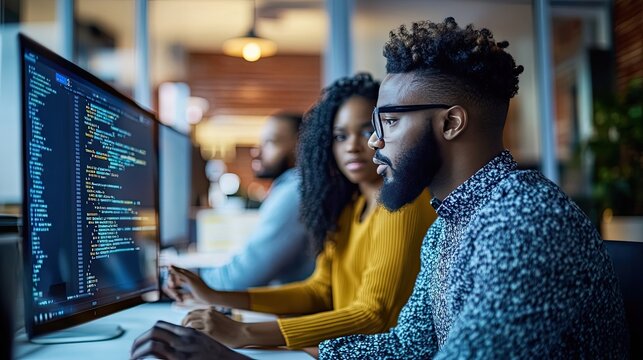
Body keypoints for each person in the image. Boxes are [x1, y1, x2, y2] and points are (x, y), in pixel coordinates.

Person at [132, 18, 628, 359]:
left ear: (452, 122)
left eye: (387, 121)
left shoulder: (522, 220)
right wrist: (243, 348)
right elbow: (403, 348)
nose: (372, 141)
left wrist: (241, 348)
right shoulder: (450, 222)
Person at [131, 73, 435, 358]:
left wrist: (242, 331)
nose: (353, 146)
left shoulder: (402, 204)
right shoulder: (351, 207)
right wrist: (217, 295)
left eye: (366, 131)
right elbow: (318, 291)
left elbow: (374, 315)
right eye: (340, 136)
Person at [199, 113, 316, 290]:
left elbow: (241, 277)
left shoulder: (295, 190)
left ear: (300, 146)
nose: (257, 151)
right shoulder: (292, 186)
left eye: (270, 142)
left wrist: (185, 281)